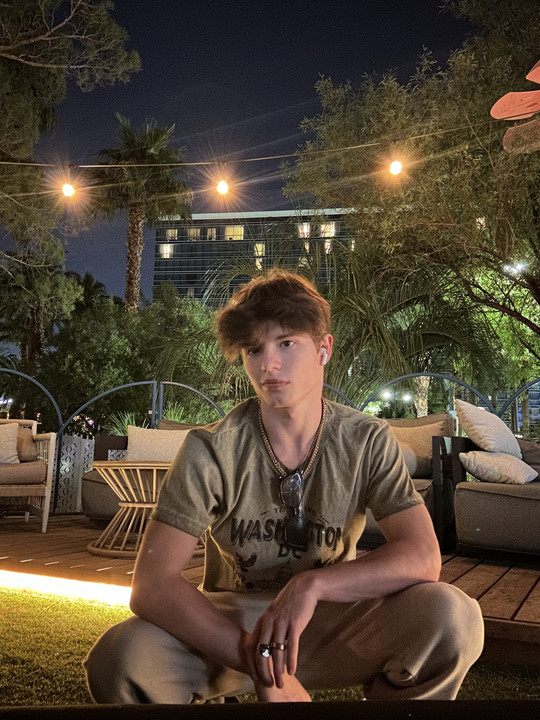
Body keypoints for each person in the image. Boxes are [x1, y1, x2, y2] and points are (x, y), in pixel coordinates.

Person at [84, 270, 484, 704]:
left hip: (331, 619)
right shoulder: (211, 449)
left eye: (286, 343)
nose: (268, 364)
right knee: (120, 657)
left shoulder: (366, 439)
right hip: (233, 626)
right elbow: (152, 584)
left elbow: (423, 555)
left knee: (452, 616)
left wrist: (310, 587)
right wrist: (259, 658)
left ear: (324, 349)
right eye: (254, 349)